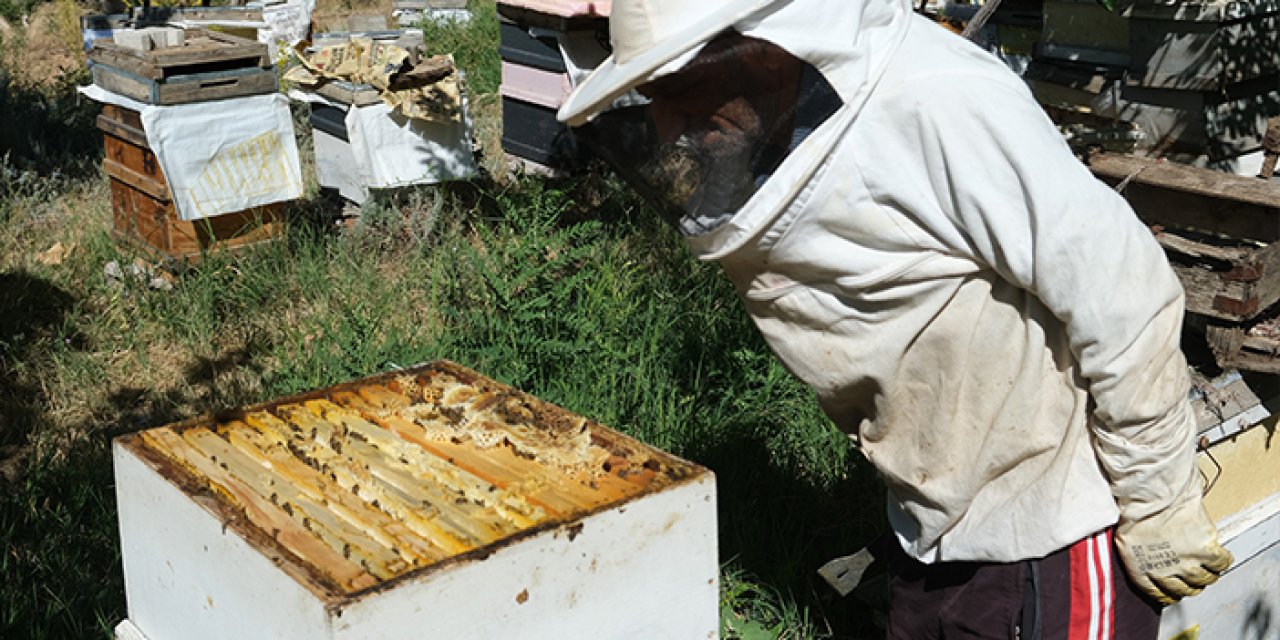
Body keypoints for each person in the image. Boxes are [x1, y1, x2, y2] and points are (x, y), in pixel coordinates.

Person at [557, 0, 1234, 637]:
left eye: (683, 88)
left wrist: (1159, 502)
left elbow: (1120, 287)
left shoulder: (936, 100)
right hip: (927, 525)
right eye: (654, 96)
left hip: (1053, 526)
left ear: (760, 49)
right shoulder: (788, 118)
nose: (668, 127)